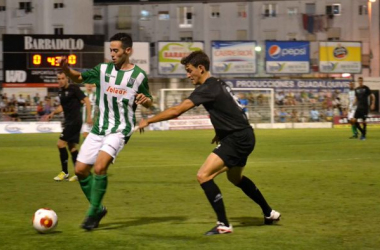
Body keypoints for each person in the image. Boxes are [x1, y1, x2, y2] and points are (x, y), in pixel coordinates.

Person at [138, 51, 280, 235]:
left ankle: (224, 224)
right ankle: (269, 213)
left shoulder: (206, 88)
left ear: (201, 68)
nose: (187, 75)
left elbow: (176, 111)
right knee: (235, 178)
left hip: (237, 138)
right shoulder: (219, 84)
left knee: (203, 176)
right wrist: (221, 132)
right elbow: (232, 110)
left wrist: (149, 120)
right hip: (242, 135)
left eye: (189, 71)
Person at [60, 32, 152, 230]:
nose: (112, 54)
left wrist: (147, 102)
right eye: (110, 50)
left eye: (116, 50)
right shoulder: (102, 70)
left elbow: (149, 101)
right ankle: (99, 208)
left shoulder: (139, 76)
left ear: (128, 51)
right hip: (99, 128)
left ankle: (92, 212)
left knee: (100, 167)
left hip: (120, 129)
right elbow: (77, 77)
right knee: (80, 170)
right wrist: (66, 69)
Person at [48, 73, 92, 182]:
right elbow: (63, 106)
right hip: (69, 122)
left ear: (67, 78)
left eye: (62, 78)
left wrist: (89, 116)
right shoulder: (60, 92)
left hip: (74, 121)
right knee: (72, 147)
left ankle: (65, 172)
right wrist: (53, 112)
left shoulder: (74, 88)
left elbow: (86, 100)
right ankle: (80, 172)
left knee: (60, 144)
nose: (60, 81)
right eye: (58, 79)